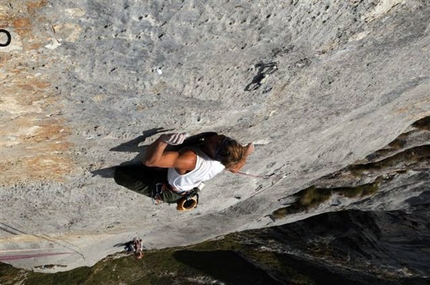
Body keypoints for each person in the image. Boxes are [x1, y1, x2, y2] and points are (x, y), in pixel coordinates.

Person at [114, 132, 254, 204]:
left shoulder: (191, 159)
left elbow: (150, 162)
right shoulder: (225, 161)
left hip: (169, 191)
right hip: (185, 183)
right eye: (225, 139)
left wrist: (163, 140)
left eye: (217, 145)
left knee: (120, 175)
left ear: (216, 155)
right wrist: (246, 152)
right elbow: (235, 167)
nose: (216, 138)